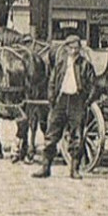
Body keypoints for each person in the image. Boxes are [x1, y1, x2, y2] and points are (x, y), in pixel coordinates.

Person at [36, 33, 98, 180]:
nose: (74, 51)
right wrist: (52, 98)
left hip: (77, 100)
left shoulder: (85, 65)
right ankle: (45, 168)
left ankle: (74, 169)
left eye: (77, 48)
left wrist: (86, 101)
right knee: (51, 133)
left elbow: (93, 85)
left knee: (77, 136)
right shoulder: (61, 64)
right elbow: (52, 82)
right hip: (61, 100)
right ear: (66, 48)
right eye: (71, 48)